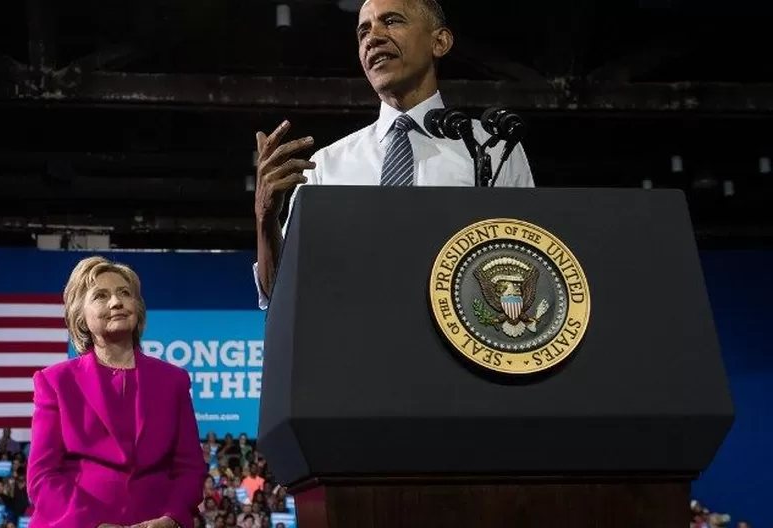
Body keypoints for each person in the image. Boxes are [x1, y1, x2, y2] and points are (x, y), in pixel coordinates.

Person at [252, 0, 535, 309]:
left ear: (439, 42)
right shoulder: (327, 165)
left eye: (392, 21)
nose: (373, 37)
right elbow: (278, 295)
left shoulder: (492, 147)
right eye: (363, 31)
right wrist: (265, 219)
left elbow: (529, 261)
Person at [26, 256, 206, 528]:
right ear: (81, 317)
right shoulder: (55, 382)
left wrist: (172, 518)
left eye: (124, 293)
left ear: (138, 307)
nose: (116, 302)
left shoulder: (174, 381)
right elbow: (42, 476)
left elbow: (189, 468)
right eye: (100, 296)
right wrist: (91, 524)